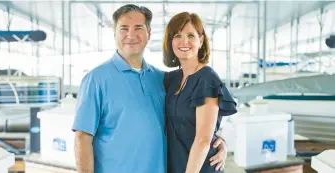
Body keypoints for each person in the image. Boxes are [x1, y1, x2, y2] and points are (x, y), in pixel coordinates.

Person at [72, 4, 229, 173]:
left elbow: (193, 122)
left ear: (149, 33)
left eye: (138, 28)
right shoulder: (96, 79)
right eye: (124, 28)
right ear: (114, 33)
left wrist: (218, 141)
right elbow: (82, 137)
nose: (131, 35)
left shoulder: (160, 78)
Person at [163, 12, 237, 173]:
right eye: (177, 35)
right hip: (176, 164)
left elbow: (203, 140)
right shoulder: (172, 79)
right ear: (170, 41)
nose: (184, 41)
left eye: (191, 35)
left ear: (201, 40)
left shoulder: (207, 78)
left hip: (199, 168)